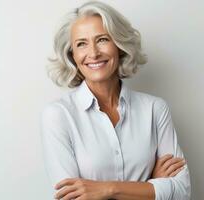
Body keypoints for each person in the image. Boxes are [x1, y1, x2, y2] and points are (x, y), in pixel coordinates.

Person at [41, 1, 191, 199]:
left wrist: (107, 189)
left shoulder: (155, 109)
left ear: (119, 46)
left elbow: (181, 192)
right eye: (81, 44)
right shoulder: (58, 116)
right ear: (73, 55)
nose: (93, 53)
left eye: (102, 39)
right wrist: (149, 187)